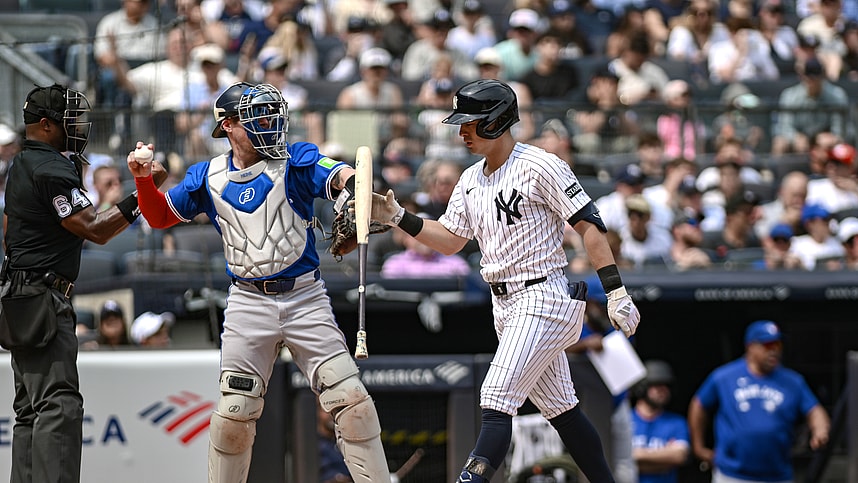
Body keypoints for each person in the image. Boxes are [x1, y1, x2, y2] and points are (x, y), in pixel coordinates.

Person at [363, 79, 641, 483]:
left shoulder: (540, 165)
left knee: (495, 396)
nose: (462, 131)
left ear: (495, 121)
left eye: (470, 123)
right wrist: (397, 217)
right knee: (562, 409)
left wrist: (615, 290)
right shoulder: (470, 180)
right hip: (505, 305)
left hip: (542, 295)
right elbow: (451, 241)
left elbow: (589, 225)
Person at [127, 81, 391, 483]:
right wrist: (144, 180)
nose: (270, 124)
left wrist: (353, 187)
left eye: (271, 115)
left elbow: (338, 174)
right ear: (229, 125)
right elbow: (160, 217)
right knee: (234, 415)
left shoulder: (295, 159)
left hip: (305, 297)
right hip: (248, 302)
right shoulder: (207, 175)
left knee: (352, 402)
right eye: (257, 117)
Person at [1, 84, 166, 483]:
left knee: (31, 409)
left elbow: (11, 233)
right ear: (46, 125)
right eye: (68, 120)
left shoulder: (22, 163)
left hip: (20, 294)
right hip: (42, 297)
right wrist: (144, 191)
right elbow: (95, 229)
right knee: (58, 405)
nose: (77, 128)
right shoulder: (49, 167)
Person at [688, 320, 831, 483]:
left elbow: (814, 410)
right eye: (768, 345)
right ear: (750, 347)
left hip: (777, 475)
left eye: (778, 345)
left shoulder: (793, 381)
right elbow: (698, 405)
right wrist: (698, 447)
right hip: (732, 474)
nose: (774, 351)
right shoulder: (724, 377)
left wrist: (820, 430)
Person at [630, 360, 690, 483]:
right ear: (642, 387)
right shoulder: (624, 420)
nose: (663, 390)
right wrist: (662, 460)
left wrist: (637, 456)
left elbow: (679, 456)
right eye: (657, 385)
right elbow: (613, 458)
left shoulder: (676, 422)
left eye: (667, 386)